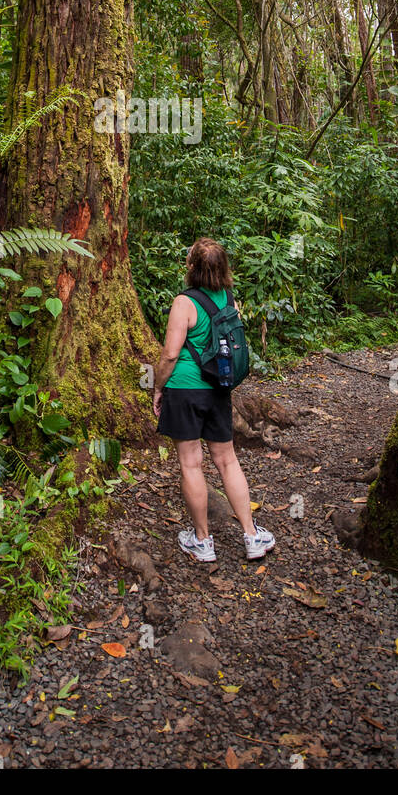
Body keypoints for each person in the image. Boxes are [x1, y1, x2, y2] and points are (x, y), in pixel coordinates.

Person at [152, 237, 275, 563]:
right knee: (227, 461)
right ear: (223, 269)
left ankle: (202, 542)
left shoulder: (184, 303)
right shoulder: (229, 300)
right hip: (218, 389)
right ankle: (251, 536)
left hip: (184, 389)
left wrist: (157, 387)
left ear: (192, 268)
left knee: (191, 463)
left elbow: (170, 354)